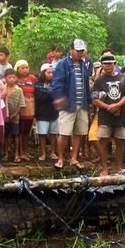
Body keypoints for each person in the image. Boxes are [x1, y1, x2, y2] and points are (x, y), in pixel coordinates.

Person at [52, 39, 92, 169]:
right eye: (78, 51)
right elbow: (57, 84)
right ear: (71, 50)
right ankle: (60, 158)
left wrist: (89, 101)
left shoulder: (83, 65)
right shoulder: (63, 64)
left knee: (79, 132)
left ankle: (74, 158)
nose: (80, 53)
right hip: (68, 104)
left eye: (82, 51)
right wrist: (59, 98)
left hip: (82, 103)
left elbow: (86, 85)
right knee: (64, 133)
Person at [92, 53, 125, 175]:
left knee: (120, 141)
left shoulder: (122, 78)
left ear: (114, 64)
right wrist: (108, 107)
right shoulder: (98, 81)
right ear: (102, 65)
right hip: (104, 116)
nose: (107, 66)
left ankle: (118, 166)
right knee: (103, 141)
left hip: (120, 115)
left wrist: (117, 105)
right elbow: (95, 99)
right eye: (105, 64)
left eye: (110, 64)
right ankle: (104, 167)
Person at [34, 63, 59, 161]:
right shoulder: (38, 84)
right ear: (43, 73)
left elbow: (57, 96)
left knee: (53, 133)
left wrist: (49, 93)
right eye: (48, 73)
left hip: (54, 112)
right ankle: (43, 153)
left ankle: (53, 152)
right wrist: (48, 94)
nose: (51, 75)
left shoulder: (56, 83)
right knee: (42, 134)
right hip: (42, 113)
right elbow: (39, 98)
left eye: (52, 73)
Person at [14, 60, 37, 161]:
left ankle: (26, 152)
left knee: (27, 131)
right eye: (22, 68)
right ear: (17, 69)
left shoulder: (32, 78)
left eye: (26, 67)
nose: (25, 70)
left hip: (31, 107)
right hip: (20, 107)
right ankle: (19, 152)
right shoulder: (15, 79)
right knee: (20, 131)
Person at [4, 69, 25, 162]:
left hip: (15, 117)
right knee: (5, 135)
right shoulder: (3, 88)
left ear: (16, 78)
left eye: (13, 77)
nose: (11, 79)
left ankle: (16, 154)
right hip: (4, 117)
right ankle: (6, 153)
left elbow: (21, 104)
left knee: (15, 135)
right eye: (9, 77)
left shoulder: (19, 90)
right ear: (5, 78)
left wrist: (15, 114)